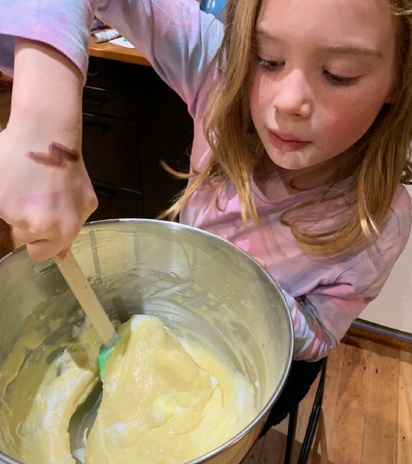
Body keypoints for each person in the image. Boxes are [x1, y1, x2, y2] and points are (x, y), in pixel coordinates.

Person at [0, 0, 410, 375]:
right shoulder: (221, 73)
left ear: (400, 78)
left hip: (264, 357)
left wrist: (239, 285)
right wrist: (45, 120)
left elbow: (320, 336)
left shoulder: (382, 223)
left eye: (339, 74)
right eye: (267, 59)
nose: (288, 101)